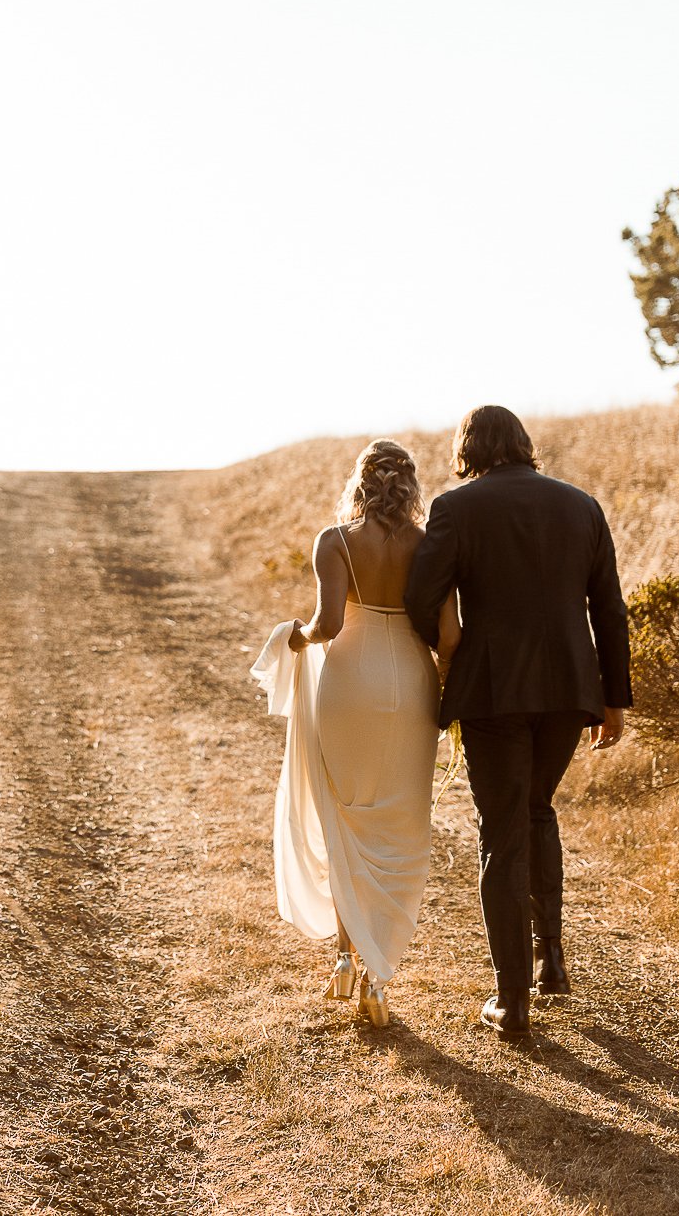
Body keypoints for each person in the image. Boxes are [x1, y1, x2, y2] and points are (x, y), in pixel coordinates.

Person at [403, 405, 632, 1040]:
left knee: (502, 832)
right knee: (536, 810)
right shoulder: (582, 505)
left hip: (493, 692)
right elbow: (609, 608)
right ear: (524, 445)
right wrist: (614, 698)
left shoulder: (456, 509)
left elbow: (421, 596)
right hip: (570, 687)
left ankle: (512, 1001)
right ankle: (549, 960)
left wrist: (449, 647)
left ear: (467, 448)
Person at [253, 440, 457, 1026]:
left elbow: (330, 624)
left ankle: (345, 956)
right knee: (398, 822)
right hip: (413, 684)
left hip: (349, 682)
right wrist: (447, 692)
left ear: (360, 484)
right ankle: (377, 976)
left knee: (346, 814)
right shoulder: (431, 546)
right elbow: (449, 635)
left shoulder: (334, 542)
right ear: (409, 485)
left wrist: (292, 638)